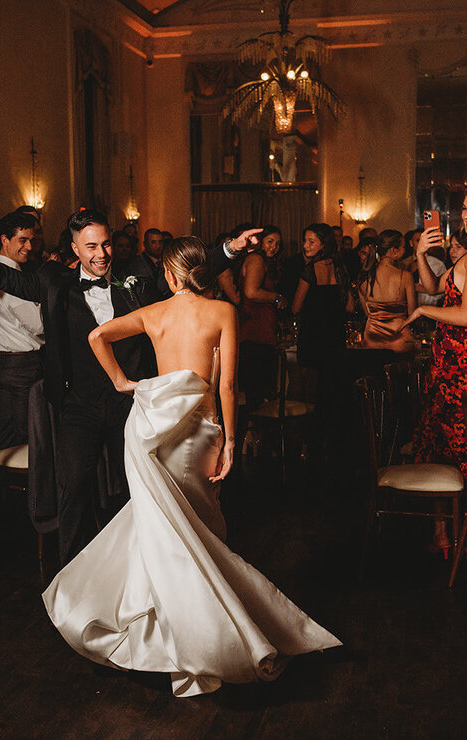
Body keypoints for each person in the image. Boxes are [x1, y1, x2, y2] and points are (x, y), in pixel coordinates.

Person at [42, 237, 340, 697]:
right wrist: (230, 439)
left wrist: (123, 382)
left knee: (163, 531)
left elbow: (96, 336)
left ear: (170, 275)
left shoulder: (154, 312)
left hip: (149, 432)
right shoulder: (222, 312)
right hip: (198, 431)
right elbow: (227, 386)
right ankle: (202, 634)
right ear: (202, 271)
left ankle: (160, 632)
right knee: (193, 529)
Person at [0, 210, 257, 563]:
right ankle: (73, 574)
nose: (101, 253)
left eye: (105, 244)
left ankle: (134, 568)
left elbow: (187, 269)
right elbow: (8, 279)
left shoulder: (137, 277)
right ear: (75, 248)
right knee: (74, 489)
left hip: (132, 405)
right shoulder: (53, 279)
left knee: (133, 488)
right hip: (79, 404)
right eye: (91, 246)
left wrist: (231, 248)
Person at [403, 185, 467, 553]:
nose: (466, 215)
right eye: (464, 208)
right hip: (450, 361)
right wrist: (421, 253)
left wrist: (422, 312)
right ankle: (444, 532)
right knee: (444, 441)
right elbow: (434, 286)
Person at [0, 211, 45, 452]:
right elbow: (39, 326)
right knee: (23, 437)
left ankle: (2, 485)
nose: (29, 246)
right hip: (21, 367)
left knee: (7, 432)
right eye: (22, 240)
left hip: (2, 363)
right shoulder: (10, 277)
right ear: (4, 240)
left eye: (31, 239)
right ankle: (21, 487)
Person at [292, 223, 350, 442]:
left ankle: (309, 441)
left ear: (323, 244)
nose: (305, 245)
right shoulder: (340, 269)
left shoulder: (309, 271)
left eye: (311, 241)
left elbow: (296, 307)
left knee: (309, 395)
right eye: (305, 240)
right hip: (335, 340)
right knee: (331, 392)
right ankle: (330, 440)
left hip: (313, 339)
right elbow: (349, 306)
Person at [238, 225, 287, 409]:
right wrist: (277, 297)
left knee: (260, 395)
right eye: (270, 241)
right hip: (254, 332)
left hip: (260, 332)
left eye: (277, 244)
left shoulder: (263, 261)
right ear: (260, 242)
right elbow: (251, 292)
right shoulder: (256, 259)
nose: (274, 247)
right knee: (257, 397)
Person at [358, 229, 417, 354]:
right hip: (399, 341)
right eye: (403, 247)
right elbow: (412, 315)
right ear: (394, 250)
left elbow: (368, 314)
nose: (405, 250)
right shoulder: (405, 277)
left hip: (372, 340)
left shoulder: (364, 279)